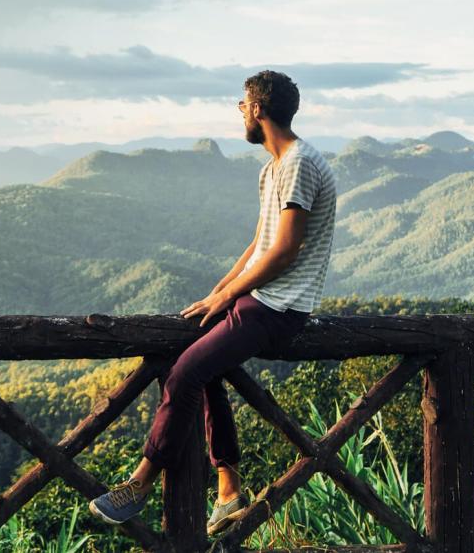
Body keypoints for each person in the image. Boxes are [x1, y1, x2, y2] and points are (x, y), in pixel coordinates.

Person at [88, 70, 337, 536]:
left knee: (185, 373)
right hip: (259, 300)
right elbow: (260, 244)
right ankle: (227, 489)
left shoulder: (299, 162)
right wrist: (219, 292)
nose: (240, 112)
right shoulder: (274, 167)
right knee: (203, 369)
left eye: (243, 105)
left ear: (259, 110)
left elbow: (286, 250)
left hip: (279, 309)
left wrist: (228, 296)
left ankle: (140, 484)